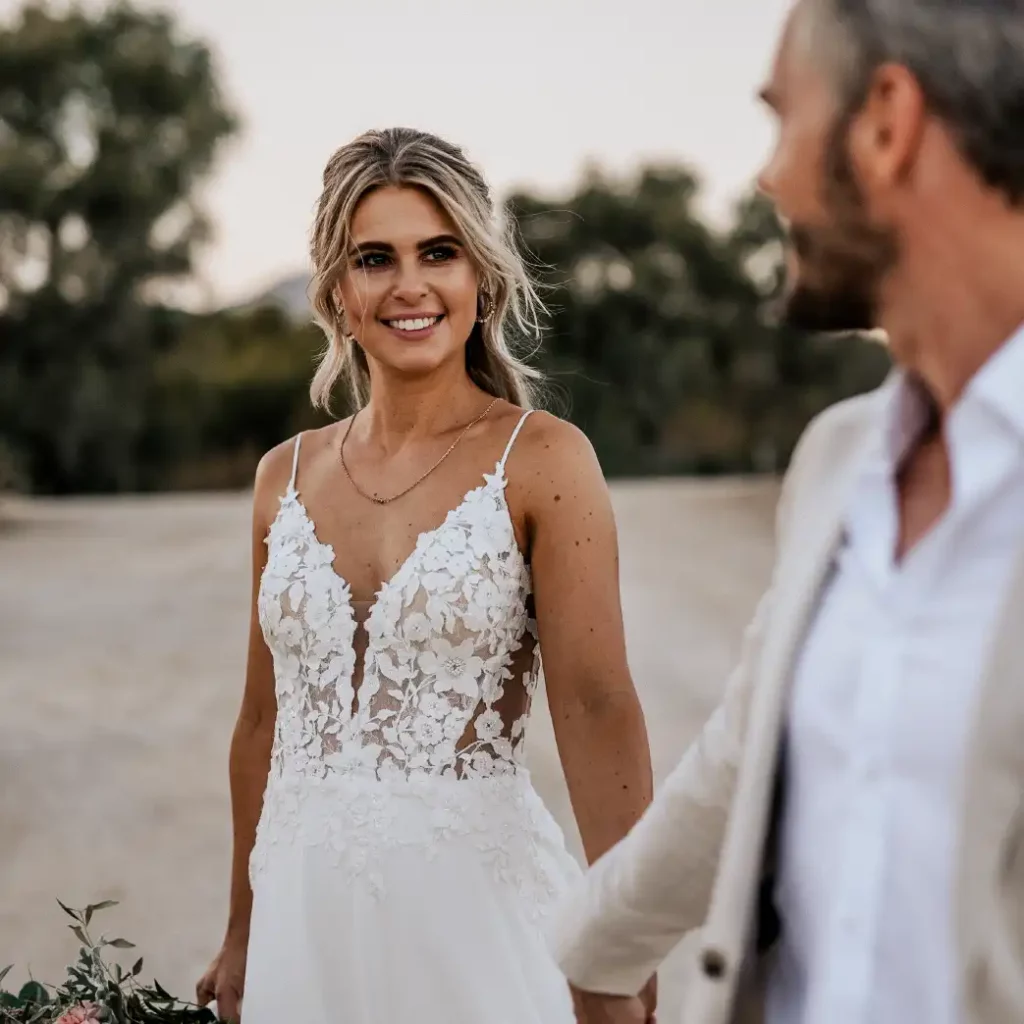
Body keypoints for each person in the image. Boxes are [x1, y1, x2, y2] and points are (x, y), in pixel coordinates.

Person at [548, 1, 1024, 1022]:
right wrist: (587, 945)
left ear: (885, 122)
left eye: (783, 118)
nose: (768, 176)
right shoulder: (838, 462)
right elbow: (741, 759)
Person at [194, 127, 654, 1024]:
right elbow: (262, 722)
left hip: (473, 930)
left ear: (480, 277)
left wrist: (621, 943)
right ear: (336, 289)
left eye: (438, 252)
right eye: (376, 258)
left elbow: (598, 710)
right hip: (303, 926)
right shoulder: (280, 476)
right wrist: (244, 930)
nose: (410, 284)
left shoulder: (545, 461)